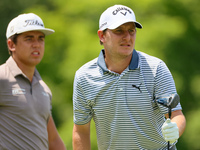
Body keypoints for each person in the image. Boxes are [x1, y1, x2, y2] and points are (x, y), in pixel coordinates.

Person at [72, 4, 186, 150]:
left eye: (131, 31)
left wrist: (175, 129)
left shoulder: (155, 68)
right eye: (119, 31)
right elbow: (80, 130)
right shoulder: (84, 76)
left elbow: (177, 115)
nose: (127, 37)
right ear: (102, 36)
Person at [0, 13, 66, 150]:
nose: (36, 44)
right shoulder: (2, 77)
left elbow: (53, 140)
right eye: (29, 39)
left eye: (40, 39)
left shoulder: (43, 88)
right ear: (11, 44)